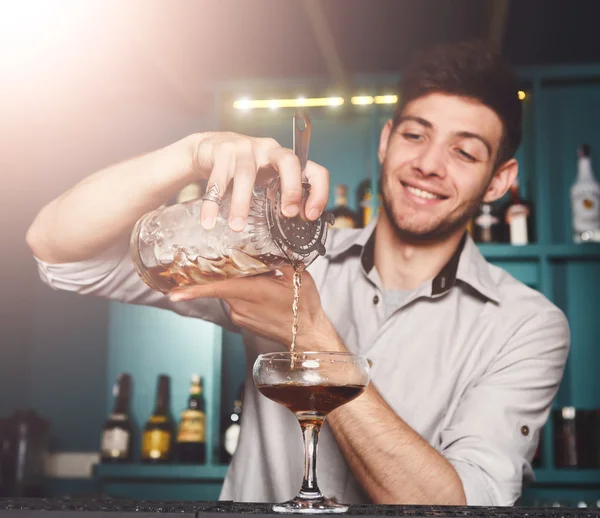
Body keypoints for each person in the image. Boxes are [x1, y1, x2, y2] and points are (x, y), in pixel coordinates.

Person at [26, 40, 569, 506]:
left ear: (499, 182)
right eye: (415, 135)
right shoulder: (278, 260)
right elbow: (58, 250)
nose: (429, 163)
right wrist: (192, 154)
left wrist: (310, 336)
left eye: (465, 152)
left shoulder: (526, 326)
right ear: (385, 141)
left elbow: (458, 507)